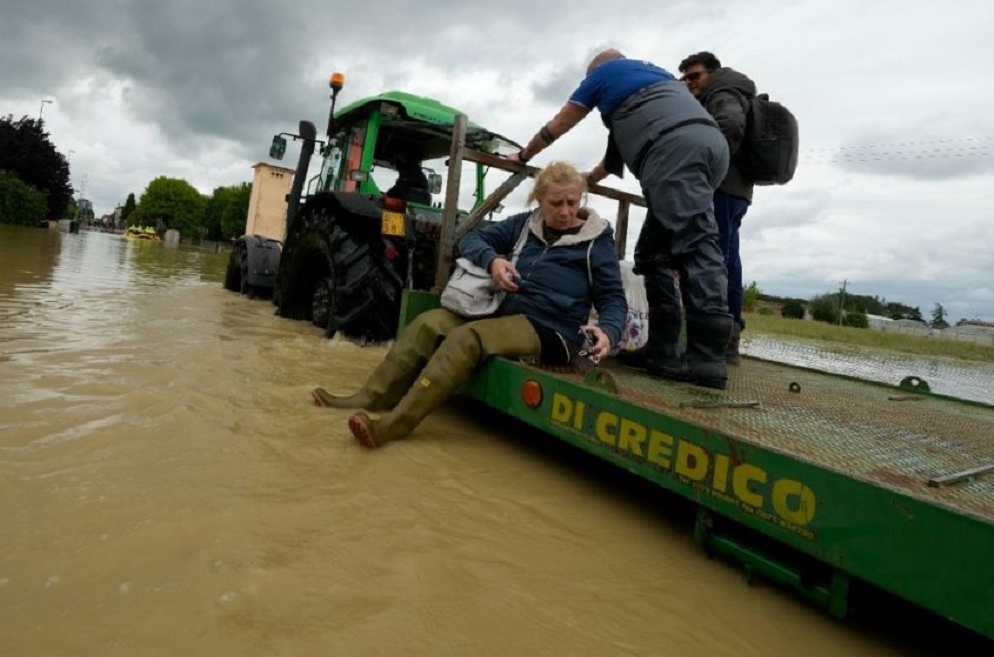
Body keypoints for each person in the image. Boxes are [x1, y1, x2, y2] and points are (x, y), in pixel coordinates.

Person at [312, 162, 627, 449]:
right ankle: (371, 397)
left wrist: (608, 332)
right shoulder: (524, 224)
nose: (565, 211)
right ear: (538, 201)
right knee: (428, 323)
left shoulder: (596, 242)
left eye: (572, 202)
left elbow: (613, 298)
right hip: (504, 312)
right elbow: (472, 240)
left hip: (554, 329)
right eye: (555, 203)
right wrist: (494, 262)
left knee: (467, 338)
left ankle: (395, 425)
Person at [510, 49, 733, 389]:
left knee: (696, 244)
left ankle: (707, 358)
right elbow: (612, 160)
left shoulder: (604, 73)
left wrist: (524, 154)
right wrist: (584, 181)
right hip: (708, 145)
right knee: (652, 254)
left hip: (673, 150)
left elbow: (561, 122)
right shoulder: (650, 86)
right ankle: (660, 349)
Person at [678, 51, 757, 364]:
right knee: (727, 260)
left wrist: (706, 169)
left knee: (712, 261)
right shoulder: (734, 91)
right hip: (737, 190)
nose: (689, 83)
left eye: (694, 76)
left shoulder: (722, 93)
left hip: (722, 187)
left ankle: (714, 342)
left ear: (712, 73)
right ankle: (729, 338)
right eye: (685, 78)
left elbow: (730, 123)